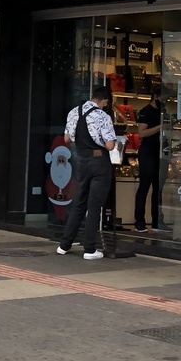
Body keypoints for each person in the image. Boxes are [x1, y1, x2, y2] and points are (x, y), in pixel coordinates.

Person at [57, 86, 117, 261]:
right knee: (95, 205)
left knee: (79, 203)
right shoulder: (102, 116)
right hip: (99, 162)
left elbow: (67, 139)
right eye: (106, 102)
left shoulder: (74, 112)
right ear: (104, 100)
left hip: (81, 160)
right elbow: (110, 146)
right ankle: (90, 248)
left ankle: (64, 244)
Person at [133, 88, 164, 232]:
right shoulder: (146, 111)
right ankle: (140, 221)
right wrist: (160, 127)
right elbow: (141, 133)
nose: (165, 102)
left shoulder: (163, 112)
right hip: (148, 152)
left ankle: (157, 221)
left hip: (160, 152)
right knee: (144, 186)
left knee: (158, 189)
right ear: (156, 96)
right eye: (164, 98)